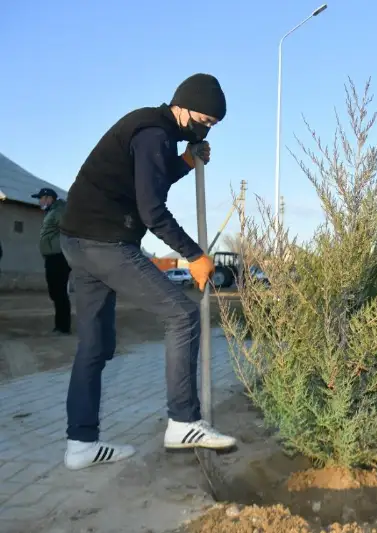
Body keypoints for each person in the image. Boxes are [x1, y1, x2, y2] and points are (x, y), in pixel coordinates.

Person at [58, 73, 236, 470]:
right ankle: (183, 422)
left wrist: (186, 163)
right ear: (184, 107)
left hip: (77, 241)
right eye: (205, 121)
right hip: (104, 242)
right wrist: (194, 254)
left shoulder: (150, 129)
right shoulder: (155, 134)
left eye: (212, 126)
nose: (206, 128)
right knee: (183, 315)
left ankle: (81, 445)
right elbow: (151, 209)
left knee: (95, 346)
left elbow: (148, 180)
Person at [32, 188, 71, 334]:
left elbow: (68, 229)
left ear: (49, 198)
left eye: (41, 198)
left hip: (59, 257)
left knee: (59, 292)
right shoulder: (51, 212)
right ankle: (60, 325)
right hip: (52, 256)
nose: (39, 201)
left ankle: (62, 327)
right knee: (55, 291)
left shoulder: (59, 211)